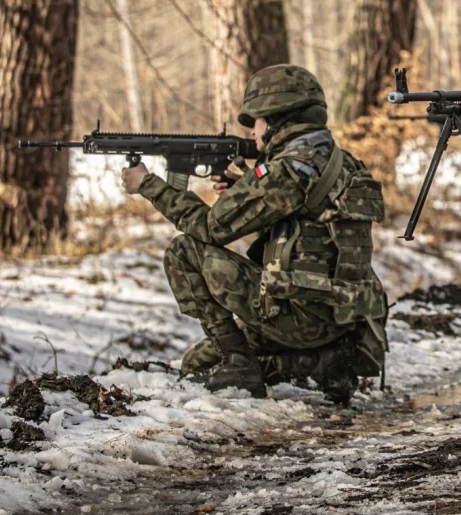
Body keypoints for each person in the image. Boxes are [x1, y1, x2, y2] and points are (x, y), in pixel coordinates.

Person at [120, 65, 388, 403]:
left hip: (301, 317)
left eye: (256, 121)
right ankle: (328, 364)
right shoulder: (341, 162)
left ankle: (240, 368)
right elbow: (307, 230)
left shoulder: (287, 169)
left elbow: (208, 229)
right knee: (197, 362)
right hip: (344, 317)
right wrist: (243, 189)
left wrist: (149, 185)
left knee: (184, 250)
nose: (251, 132)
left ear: (278, 117)